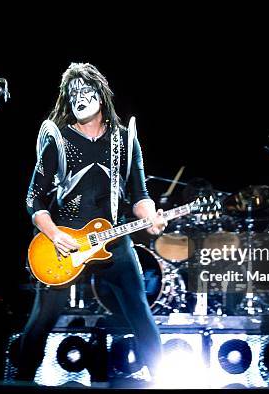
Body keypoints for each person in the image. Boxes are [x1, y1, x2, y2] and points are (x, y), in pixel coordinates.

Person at [19, 62, 166, 381]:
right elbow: (34, 198)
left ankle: (161, 380)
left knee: (140, 311)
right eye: (73, 94)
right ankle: (19, 380)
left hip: (112, 241)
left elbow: (139, 194)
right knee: (42, 319)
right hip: (64, 246)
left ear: (101, 95)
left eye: (86, 91)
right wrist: (55, 234)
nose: (79, 98)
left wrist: (150, 216)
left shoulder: (125, 140)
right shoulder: (57, 140)